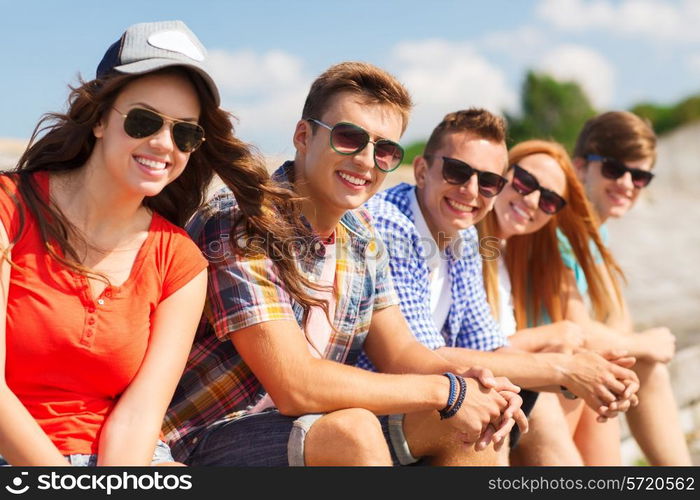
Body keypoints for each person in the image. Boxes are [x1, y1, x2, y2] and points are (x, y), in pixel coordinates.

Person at [164, 62, 527, 467]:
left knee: (472, 423)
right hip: (203, 439)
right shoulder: (241, 222)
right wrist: (444, 392)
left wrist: (472, 384)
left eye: (385, 150)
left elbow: (402, 351)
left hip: (305, 426)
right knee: (353, 429)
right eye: (350, 138)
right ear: (304, 136)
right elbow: (295, 385)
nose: (367, 161)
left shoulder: (361, 233)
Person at [0, 20, 248, 466]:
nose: (162, 143)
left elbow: (139, 417)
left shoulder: (180, 261)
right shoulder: (8, 209)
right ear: (98, 118)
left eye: (184, 132)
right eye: (143, 120)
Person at [357, 110, 639, 465]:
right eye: (457, 172)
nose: (471, 191)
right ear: (422, 171)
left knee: (529, 402)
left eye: (488, 181)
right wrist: (564, 370)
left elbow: (488, 345)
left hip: (420, 396)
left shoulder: (466, 237)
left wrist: (591, 376)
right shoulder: (390, 223)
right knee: (482, 414)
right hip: (365, 406)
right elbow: (421, 358)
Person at [565, 111, 691, 465]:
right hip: (541, 370)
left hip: (570, 371)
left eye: (639, 175)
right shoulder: (561, 227)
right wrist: (644, 344)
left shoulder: (594, 232)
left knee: (637, 368)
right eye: (612, 169)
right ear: (580, 167)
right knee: (639, 367)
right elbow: (572, 327)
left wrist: (634, 344)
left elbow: (616, 317)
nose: (626, 183)